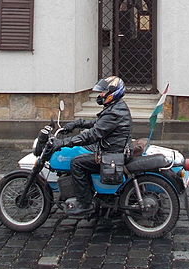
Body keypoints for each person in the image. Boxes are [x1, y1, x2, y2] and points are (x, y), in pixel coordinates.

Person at [51, 76, 132, 215]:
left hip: (111, 153)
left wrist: (64, 142)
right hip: (111, 148)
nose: (101, 95)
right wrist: (77, 123)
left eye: (103, 92)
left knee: (76, 163)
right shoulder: (115, 107)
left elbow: (92, 135)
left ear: (113, 93)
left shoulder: (114, 112)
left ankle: (85, 203)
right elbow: (98, 122)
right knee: (82, 155)